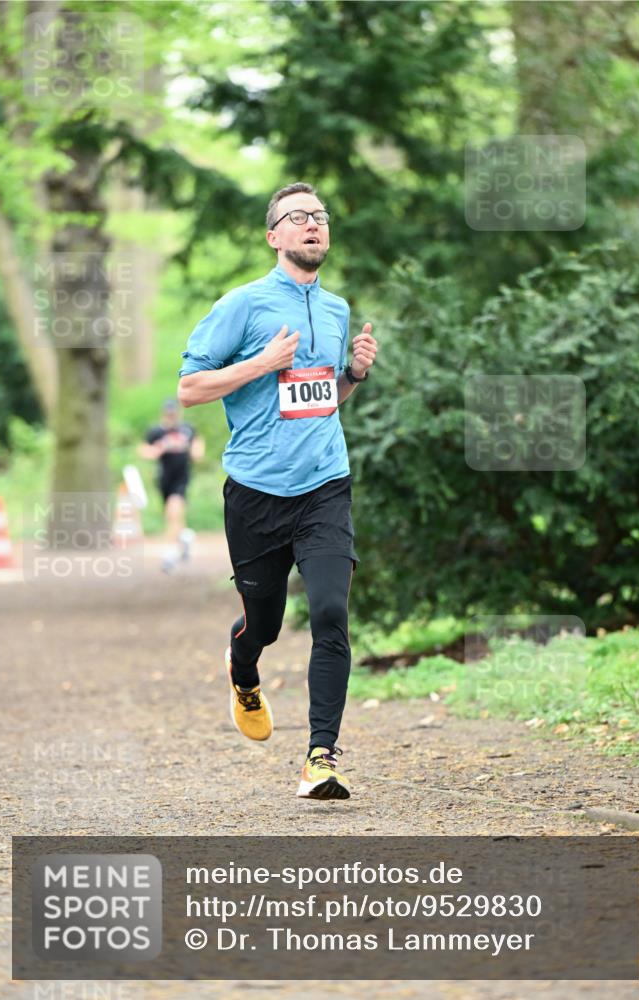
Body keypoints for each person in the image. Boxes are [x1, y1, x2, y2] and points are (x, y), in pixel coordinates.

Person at [177, 182, 377, 799]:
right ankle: (243, 670)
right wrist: (262, 364)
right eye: (298, 217)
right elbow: (190, 389)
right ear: (274, 236)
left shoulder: (336, 308)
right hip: (257, 493)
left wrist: (354, 374)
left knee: (330, 613)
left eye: (320, 215)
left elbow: (322, 400)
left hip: (324, 486)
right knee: (262, 625)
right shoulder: (242, 305)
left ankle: (321, 757)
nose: (313, 224)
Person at [139, 400, 205, 573]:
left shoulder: (187, 429)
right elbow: (145, 451)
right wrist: (161, 447)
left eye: (174, 413)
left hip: (181, 478)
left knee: (174, 511)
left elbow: (198, 453)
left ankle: (169, 555)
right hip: (164, 479)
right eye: (168, 414)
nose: (171, 417)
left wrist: (189, 447)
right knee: (172, 516)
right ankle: (186, 537)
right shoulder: (156, 431)